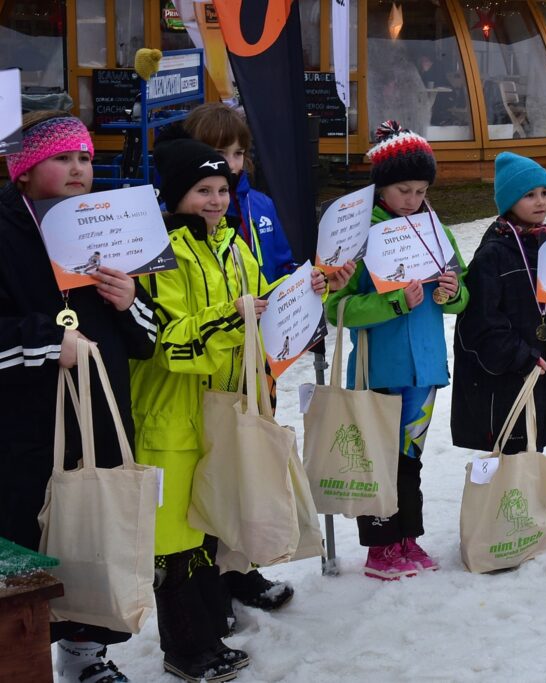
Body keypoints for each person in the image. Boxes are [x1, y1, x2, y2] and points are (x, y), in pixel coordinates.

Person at [130, 130, 331, 681]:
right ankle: (186, 649)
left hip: (227, 409)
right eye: (201, 190)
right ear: (173, 195)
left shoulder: (235, 244)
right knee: (176, 540)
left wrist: (303, 292)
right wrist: (235, 315)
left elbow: (262, 307)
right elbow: (169, 344)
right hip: (170, 416)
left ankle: (211, 623)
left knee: (213, 523)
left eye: (222, 188)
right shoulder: (156, 251)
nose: (215, 200)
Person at [0, 111, 156, 682]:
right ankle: (21, 662)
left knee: (98, 538)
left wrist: (128, 300)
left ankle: (88, 656)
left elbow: (149, 339)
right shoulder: (4, 228)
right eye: (62, 158)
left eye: (86, 158)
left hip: (102, 423)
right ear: (23, 172)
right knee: (30, 546)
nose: (78, 169)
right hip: (26, 432)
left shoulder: (106, 225)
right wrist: (46, 341)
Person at [325, 120, 468, 579]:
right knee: (380, 458)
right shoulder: (359, 234)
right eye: (403, 189)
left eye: (421, 190)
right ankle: (379, 547)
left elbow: (462, 290)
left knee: (411, 458)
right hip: (379, 367)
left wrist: (450, 293)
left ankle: (408, 536)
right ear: (381, 187)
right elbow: (338, 308)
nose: (413, 200)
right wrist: (391, 301)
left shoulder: (432, 226)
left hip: (425, 368)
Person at [451, 152, 546, 454]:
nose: (541, 202)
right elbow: (480, 324)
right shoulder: (492, 255)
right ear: (509, 201)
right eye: (529, 195)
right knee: (511, 463)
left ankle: (529, 504)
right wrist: (521, 356)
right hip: (511, 378)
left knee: (534, 457)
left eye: (545, 193)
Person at [183, 102, 297, 283]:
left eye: (238, 153)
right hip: (223, 311)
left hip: (266, 309)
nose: (231, 164)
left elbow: (284, 267)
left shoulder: (262, 205)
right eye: (219, 153)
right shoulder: (178, 211)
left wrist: (313, 281)